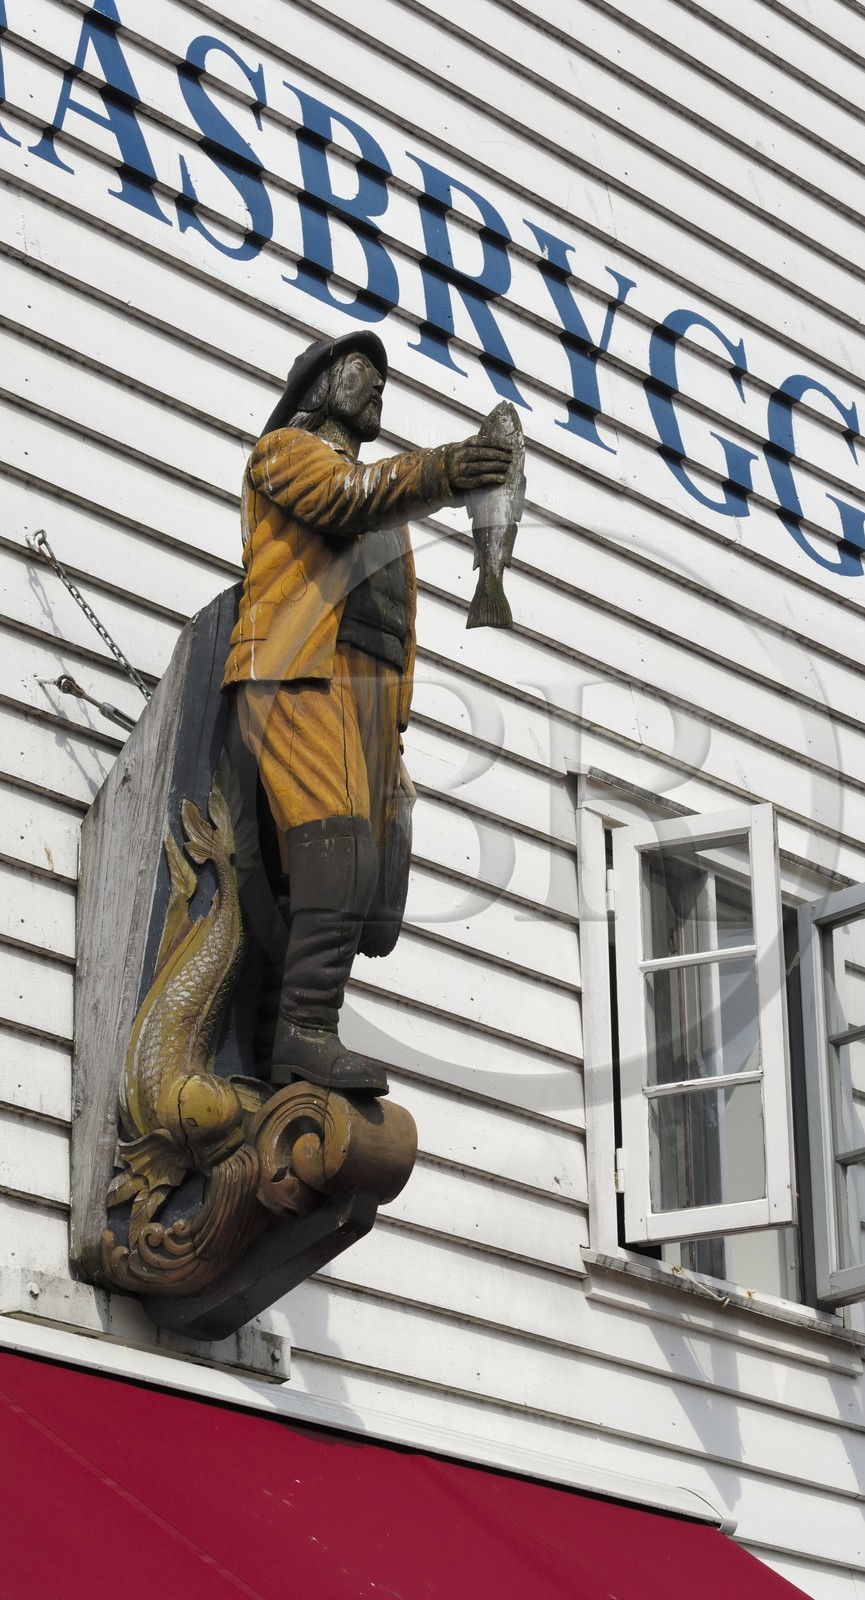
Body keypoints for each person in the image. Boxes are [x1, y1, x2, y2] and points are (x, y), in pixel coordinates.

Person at [221, 331, 511, 1095]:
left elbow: (390, 603)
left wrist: (398, 726)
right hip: (296, 672)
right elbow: (349, 498)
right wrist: (447, 469)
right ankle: (305, 1033)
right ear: (317, 386)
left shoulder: (387, 501)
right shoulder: (283, 453)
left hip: (368, 698)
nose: (377, 384)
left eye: (383, 376)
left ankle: (276, 1049)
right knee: (335, 850)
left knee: (362, 885)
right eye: (361, 371)